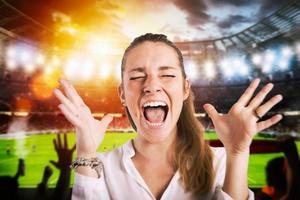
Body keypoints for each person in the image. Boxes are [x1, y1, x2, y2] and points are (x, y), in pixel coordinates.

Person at [54, 33, 283, 200]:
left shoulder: (221, 162)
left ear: (185, 89)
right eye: (136, 77)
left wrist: (238, 153)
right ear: (122, 94)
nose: (151, 86)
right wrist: (85, 152)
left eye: (167, 75)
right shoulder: (98, 167)